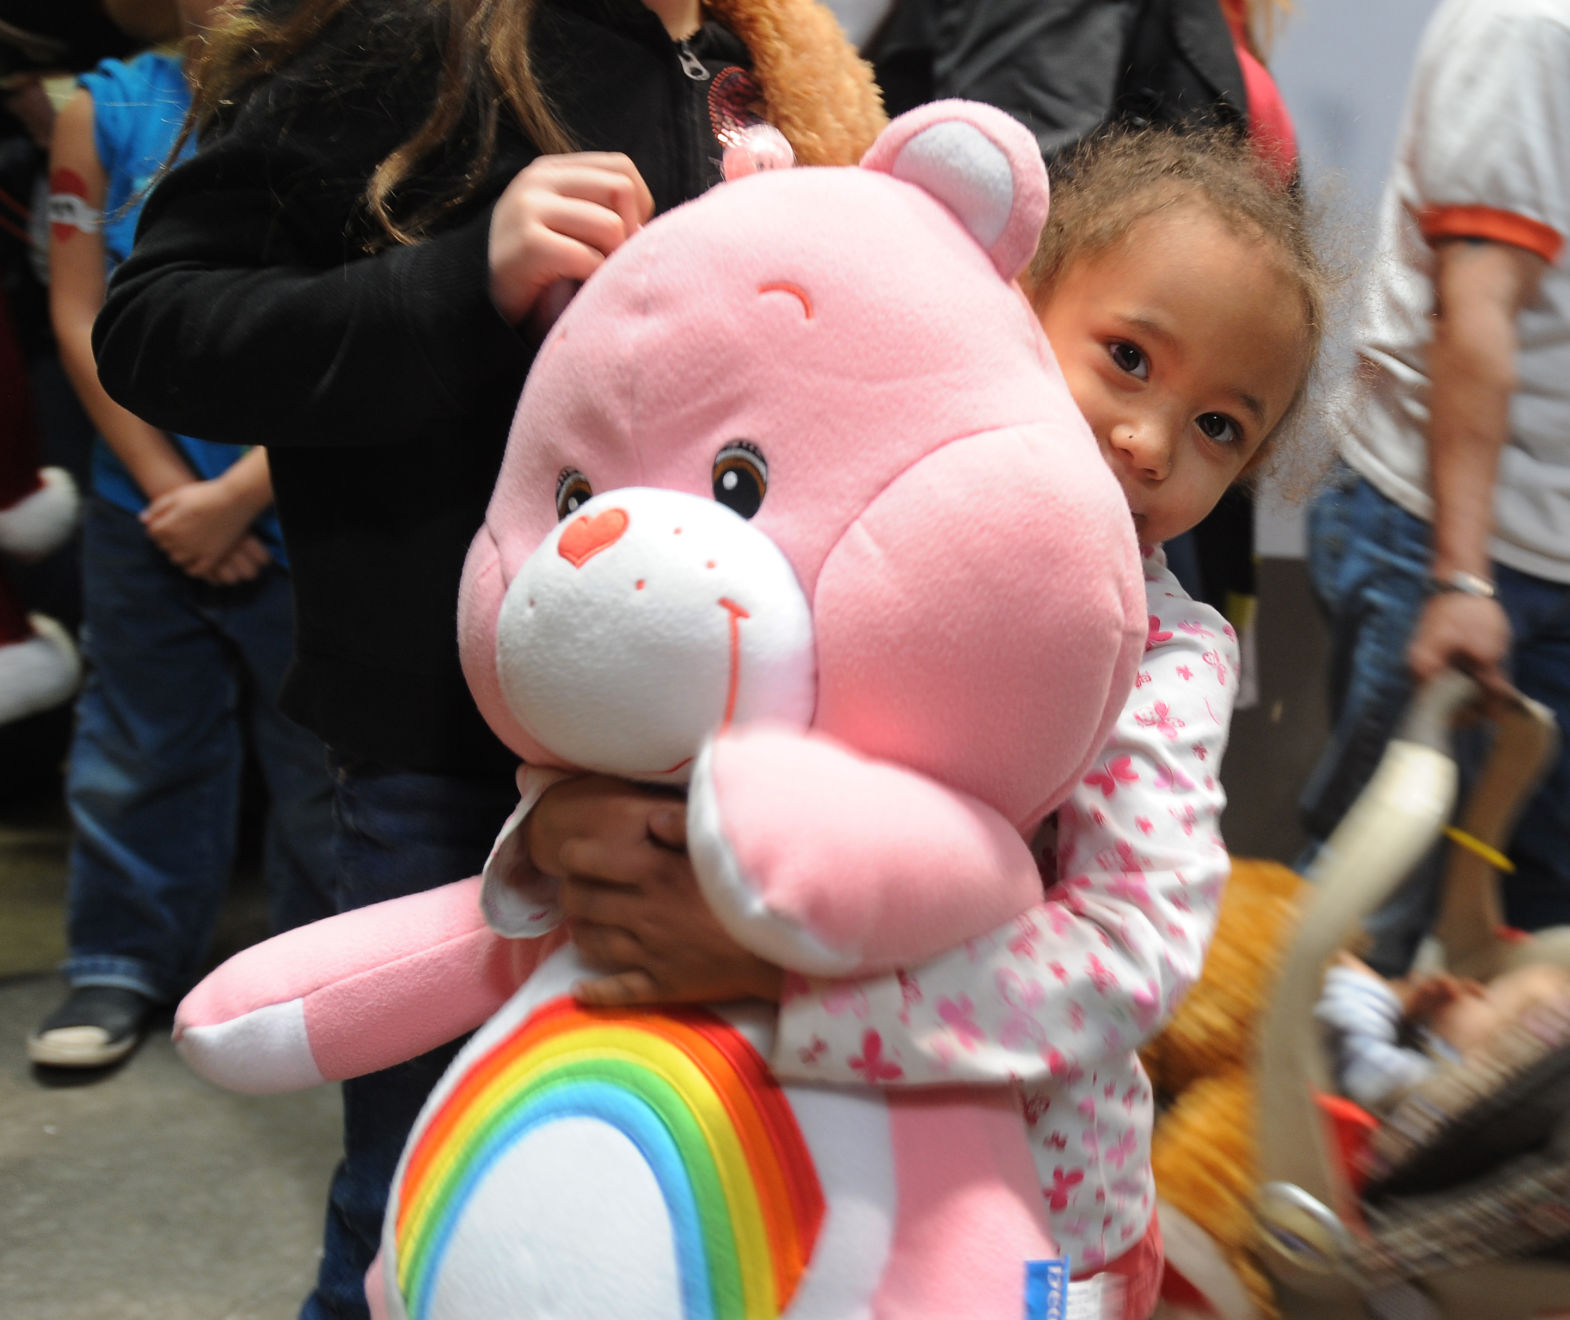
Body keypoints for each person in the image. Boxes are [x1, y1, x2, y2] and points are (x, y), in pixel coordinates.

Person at [89, 2, 884, 1315]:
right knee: (430, 1204)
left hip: (728, 768)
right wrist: (466, 277)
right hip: (447, 765)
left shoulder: (792, 65)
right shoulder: (418, 37)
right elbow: (160, 324)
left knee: (674, 1199)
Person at [518, 125, 1327, 1319]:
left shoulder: (1165, 657)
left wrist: (792, 993)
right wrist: (563, 823)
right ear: (1009, 305)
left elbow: (1129, 957)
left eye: (1221, 428)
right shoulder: (855, 539)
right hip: (754, 1135)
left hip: (1023, 1207)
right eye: (1126, 358)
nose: (1151, 443)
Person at [25, 0, 338, 1071]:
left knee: (322, 761)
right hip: (143, 506)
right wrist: (169, 487)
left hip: (306, 497)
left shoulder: (351, 85)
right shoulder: (104, 111)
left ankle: (313, 986)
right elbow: (80, 312)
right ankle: (117, 964)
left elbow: (370, 314)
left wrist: (244, 492)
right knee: (137, 740)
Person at [1297, 0, 1570, 977]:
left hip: (1545, 553)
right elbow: (1476, 310)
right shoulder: (1529, 26)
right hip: (1448, 538)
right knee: (1374, 911)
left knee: (1528, 937)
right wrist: (1461, 580)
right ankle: (1296, 1127)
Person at [1318, 951, 1570, 1113]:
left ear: (1492, 1059)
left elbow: (1354, 1048)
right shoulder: (1437, 1077)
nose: (1469, 991)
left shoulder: (1430, 1094)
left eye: (1486, 998)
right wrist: (1413, 1012)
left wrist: (1376, 991)